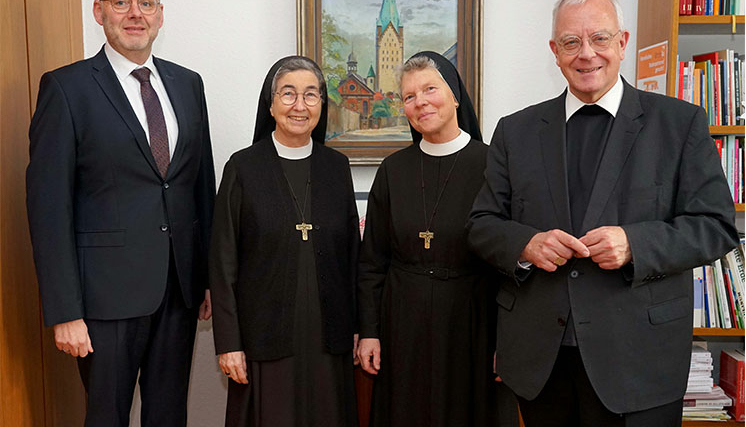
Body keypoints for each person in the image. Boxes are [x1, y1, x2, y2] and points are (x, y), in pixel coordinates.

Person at [467, 0, 739, 425]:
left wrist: (635, 244)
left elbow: (716, 225)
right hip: (542, 361)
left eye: (599, 38)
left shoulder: (679, 123)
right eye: (572, 42)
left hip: (640, 359)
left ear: (623, 42)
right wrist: (526, 244)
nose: (587, 53)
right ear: (555, 51)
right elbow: (482, 225)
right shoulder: (514, 131)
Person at [25, 0, 215, 426]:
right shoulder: (66, 88)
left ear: (160, 14)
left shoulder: (188, 84)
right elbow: (48, 208)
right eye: (120, 3)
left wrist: (206, 278)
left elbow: (201, 186)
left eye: (146, 3)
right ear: (98, 12)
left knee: (168, 416)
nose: (134, 13)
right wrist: (64, 311)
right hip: (103, 299)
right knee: (107, 417)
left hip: (178, 290)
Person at [356, 51, 518, 427]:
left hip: (472, 323)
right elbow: (372, 263)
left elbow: (512, 263)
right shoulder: (393, 170)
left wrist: (507, 340)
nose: (420, 102)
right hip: (402, 324)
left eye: (430, 89)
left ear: (456, 94)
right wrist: (369, 332)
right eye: (409, 96)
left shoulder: (494, 165)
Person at [209, 56, 359, 427]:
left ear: (322, 106)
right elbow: (223, 261)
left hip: (329, 337)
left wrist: (358, 325)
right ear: (271, 104)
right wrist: (228, 342)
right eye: (288, 94)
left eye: (311, 95)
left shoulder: (336, 167)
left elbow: (353, 258)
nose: (299, 105)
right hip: (264, 337)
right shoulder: (242, 167)